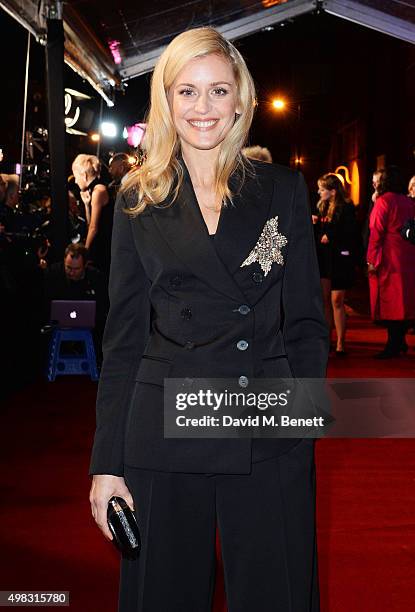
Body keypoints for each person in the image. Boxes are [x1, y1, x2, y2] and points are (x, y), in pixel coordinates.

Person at [89, 27, 328, 612]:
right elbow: (122, 339)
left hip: (264, 426)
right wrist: (106, 465)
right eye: (187, 91)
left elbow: (305, 322)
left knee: (280, 595)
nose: (203, 108)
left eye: (218, 91)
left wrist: (298, 421)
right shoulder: (137, 197)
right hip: (164, 428)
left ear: (241, 99)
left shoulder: (282, 190)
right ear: (166, 101)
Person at [367, 166, 415, 358]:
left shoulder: (384, 201)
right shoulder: (408, 202)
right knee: (403, 300)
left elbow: (376, 232)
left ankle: (393, 344)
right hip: (408, 253)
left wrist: (371, 258)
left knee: (390, 300)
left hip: (390, 256)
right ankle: (400, 341)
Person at [314, 173, 358, 355]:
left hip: (339, 259)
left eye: (322, 189)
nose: (319, 192)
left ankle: (341, 342)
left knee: (337, 300)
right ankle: (327, 339)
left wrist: (331, 236)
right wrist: (315, 225)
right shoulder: (320, 207)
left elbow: (351, 234)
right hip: (324, 258)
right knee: (324, 300)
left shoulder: (346, 208)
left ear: (332, 191)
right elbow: (317, 234)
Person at [43, 243, 108, 363]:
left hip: (92, 328)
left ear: (86, 265)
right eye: (68, 267)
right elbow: (44, 303)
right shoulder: (53, 274)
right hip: (55, 326)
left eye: (76, 269)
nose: (71, 272)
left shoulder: (96, 278)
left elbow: (103, 306)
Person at [72, 154, 113, 279]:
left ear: (83, 175)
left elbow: (94, 228)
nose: (75, 181)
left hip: (105, 246)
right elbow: (91, 224)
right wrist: (86, 205)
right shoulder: (95, 190)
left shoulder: (98, 191)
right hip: (102, 244)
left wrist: (85, 252)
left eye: (75, 176)